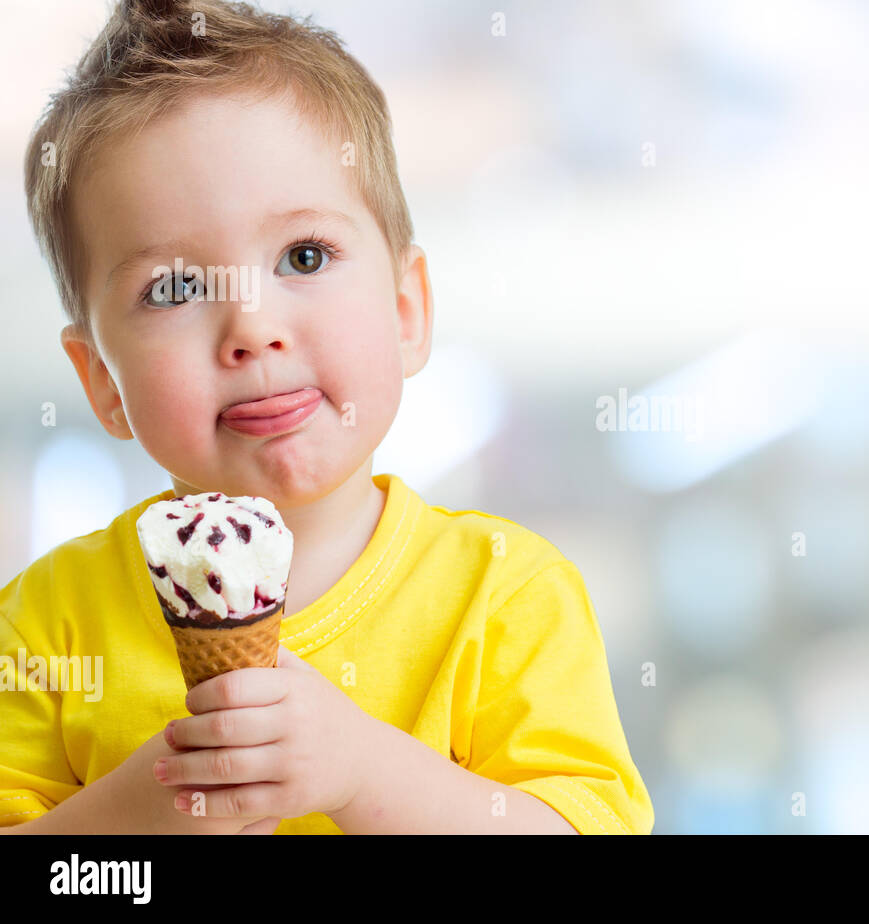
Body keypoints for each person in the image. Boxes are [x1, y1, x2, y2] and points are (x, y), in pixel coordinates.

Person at [1, 0, 651, 835]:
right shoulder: (48, 624)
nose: (251, 327)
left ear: (406, 309)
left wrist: (362, 773)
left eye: (303, 257)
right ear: (101, 382)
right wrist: (140, 813)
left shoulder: (506, 595)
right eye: (173, 288)